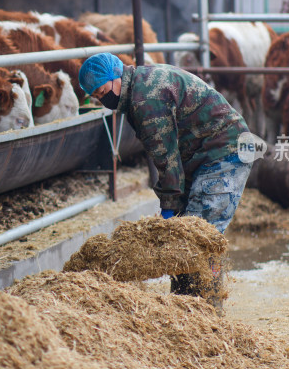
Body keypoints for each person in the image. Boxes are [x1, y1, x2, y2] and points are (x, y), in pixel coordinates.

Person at [79, 52, 254, 307]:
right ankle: (183, 305)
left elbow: (166, 157)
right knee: (185, 236)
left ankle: (206, 314)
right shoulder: (139, 84)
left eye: (103, 90)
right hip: (204, 153)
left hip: (224, 151)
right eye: (96, 96)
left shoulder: (145, 100)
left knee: (197, 236)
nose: (103, 99)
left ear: (115, 76)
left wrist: (169, 207)